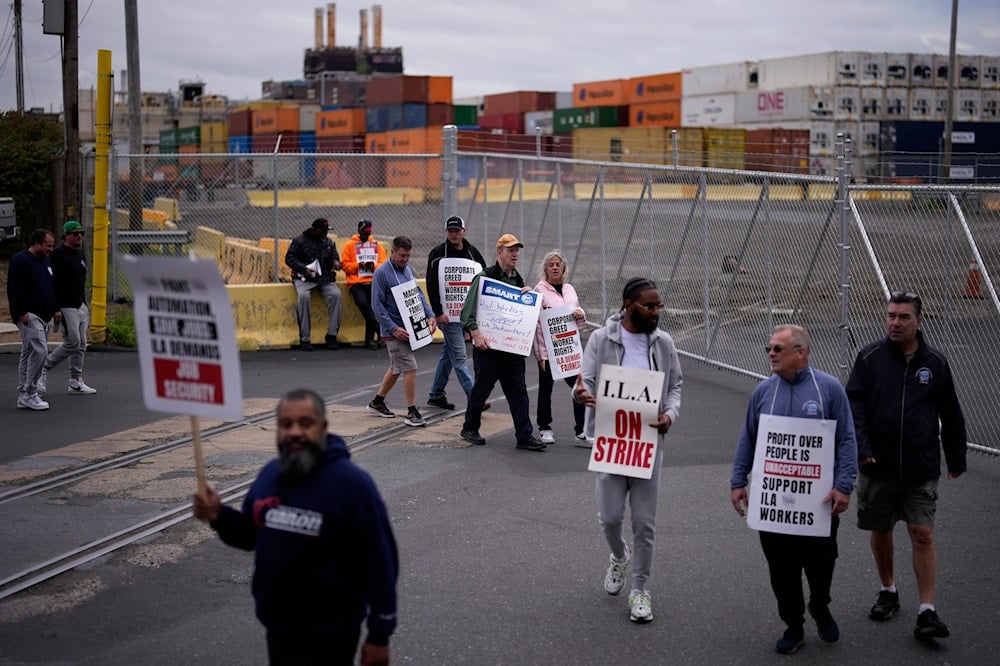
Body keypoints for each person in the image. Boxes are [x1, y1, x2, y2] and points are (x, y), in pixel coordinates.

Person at [192, 388, 398, 666]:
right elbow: (251, 535)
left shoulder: (353, 486)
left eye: (305, 423)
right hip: (279, 628)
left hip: (332, 633)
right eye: (286, 425)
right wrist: (218, 515)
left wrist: (379, 634)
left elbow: (381, 562)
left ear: (322, 428)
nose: (295, 432)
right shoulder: (270, 475)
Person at [846, 291, 966, 640]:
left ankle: (927, 611)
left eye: (903, 317)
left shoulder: (936, 363)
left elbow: (951, 412)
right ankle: (888, 590)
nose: (895, 323)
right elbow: (856, 406)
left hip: (920, 467)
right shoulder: (869, 357)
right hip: (877, 465)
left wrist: (956, 456)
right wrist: (862, 447)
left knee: (922, 533)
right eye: (890, 316)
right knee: (880, 530)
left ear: (919, 321)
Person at [730, 324, 857, 654]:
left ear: (800, 353)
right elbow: (748, 438)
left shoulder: (827, 389)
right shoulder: (763, 391)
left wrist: (844, 485)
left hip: (818, 502)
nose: (771, 354)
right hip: (773, 502)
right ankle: (794, 625)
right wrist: (738, 481)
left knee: (821, 564)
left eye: (778, 349)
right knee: (781, 568)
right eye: (769, 348)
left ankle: (820, 605)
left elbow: (846, 439)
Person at [573, 277, 682, 624]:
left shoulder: (663, 343)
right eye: (649, 306)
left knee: (644, 524)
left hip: (649, 444)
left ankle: (639, 590)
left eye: (658, 305)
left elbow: (675, 384)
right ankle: (619, 555)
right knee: (609, 518)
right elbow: (585, 380)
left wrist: (669, 414)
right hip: (613, 442)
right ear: (628, 304)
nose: (655, 312)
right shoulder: (603, 339)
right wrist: (581, 394)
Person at [459, 233, 545, 452]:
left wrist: (528, 297)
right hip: (488, 349)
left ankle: (524, 436)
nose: (515, 254)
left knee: (519, 392)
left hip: (512, 351)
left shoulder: (518, 280)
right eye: (510, 250)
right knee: (481, 391)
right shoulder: (484, 277)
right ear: (499, 253)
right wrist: (476, 335)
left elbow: (522, 315)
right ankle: (470, 427)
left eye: (517, 250)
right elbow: (466, 313)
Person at [365, 236, 437, 427]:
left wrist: (430, 314)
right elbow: (377, 306)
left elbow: (417, 294)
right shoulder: (381, 274)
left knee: (396, 368)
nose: (405, 259)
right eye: (402, 255)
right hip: (394, 332)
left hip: (409, 328)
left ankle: (377, 402)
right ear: (393, 252)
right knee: (410, 367)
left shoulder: (407, 269)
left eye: (408, 256)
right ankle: (412, 411)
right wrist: (393, 329)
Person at [425, 214, 487, 411]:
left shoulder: (472, 253)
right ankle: (475, 397)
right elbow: (431, 284)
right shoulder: (437, 253)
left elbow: (484, 277)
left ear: (463, 231)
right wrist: (438, 312)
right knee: (460, 357)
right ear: (446, 232)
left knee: (448, 355)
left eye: (457, 230)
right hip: (447, 316)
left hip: (465, 315)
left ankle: (436, 394)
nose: (453, 234)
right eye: (450, 231)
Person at [533, 250, 586, 444]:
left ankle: (582, 430)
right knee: (545, 390)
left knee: (579, 387)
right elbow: (537, 325)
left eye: (558, 264)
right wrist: (541, 355)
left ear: (563, 268)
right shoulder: (540, 290)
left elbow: (577, 322)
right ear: (545, 269)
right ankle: (544, 427)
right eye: (551, 265)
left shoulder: (570, 289)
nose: (555, 267)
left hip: (569, 349)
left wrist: (581, 315)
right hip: (549, 350)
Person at [38, 221, 97, 395]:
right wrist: (55, 308)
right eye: (75, 233)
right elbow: (52, 282)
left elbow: (81, 281)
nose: (79, 236)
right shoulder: (58, 255)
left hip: (80, 304)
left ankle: (75, 380)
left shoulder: (80, 254)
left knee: (82, 344)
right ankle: (43, 368)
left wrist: (84, 304)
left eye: (81, 233)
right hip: (65, 304)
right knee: (73, 341)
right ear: (66, 236)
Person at [7, 229, 60, 411]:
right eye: (48, 246)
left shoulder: (46, 261)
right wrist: (21, 313)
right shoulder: (20, 261)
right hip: (29, 315)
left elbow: (51, 287)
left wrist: (55, 309)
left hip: (46, 315)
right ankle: (31, 391)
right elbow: (14, 289)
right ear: (37, 243)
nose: (51, 249)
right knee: (41, 351)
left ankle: (23, 394)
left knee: (29, 351)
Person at [284, 217, 343, 351]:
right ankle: (305, 338)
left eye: (326, 231)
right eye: (323, 231)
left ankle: (332, 335)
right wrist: (304, 269)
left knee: (336, 295)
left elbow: (334, 256)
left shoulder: (328, 242)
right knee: (303, 298)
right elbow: (289, 258)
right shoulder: (300, 240)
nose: (325, 234)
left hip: (324, 279)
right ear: (315, 230)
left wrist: (335, 263)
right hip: (304, 278)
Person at [341, 219, 387, 350]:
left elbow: (383, 264)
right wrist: (359, 265)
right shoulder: (350, 245)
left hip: (373, 281)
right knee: (363, 304)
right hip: (357, 283)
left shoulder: (376, 245)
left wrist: (373, 266)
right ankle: (379, 329)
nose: (366, 235)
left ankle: (370, 340)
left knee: (373, 308)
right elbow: (345, 265)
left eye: (368, 232)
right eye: (364, 232)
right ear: (359, 231)